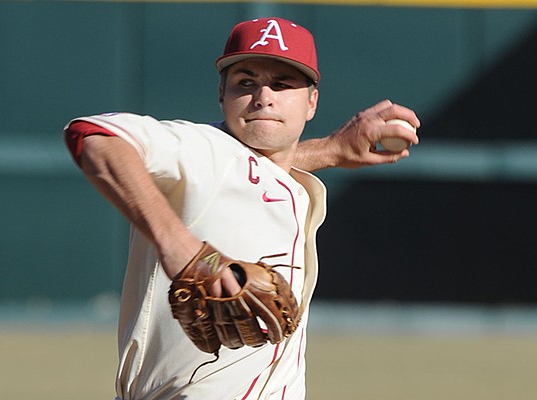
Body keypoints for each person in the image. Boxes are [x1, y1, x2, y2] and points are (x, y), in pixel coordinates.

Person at [64, 17, 419, 400]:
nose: (263, 95)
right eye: (246, 82)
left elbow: (256, 166)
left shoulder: (280, 178)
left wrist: (330, 150)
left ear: (312, 101)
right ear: (222, 93)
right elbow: (94, 136)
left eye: (282, 84)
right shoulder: (199, 149)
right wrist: (180, 248)